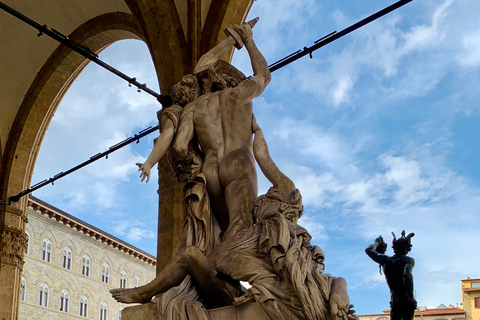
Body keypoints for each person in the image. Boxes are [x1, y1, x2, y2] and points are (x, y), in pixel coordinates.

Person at [111, 117, 356, 320]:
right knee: (189, 255)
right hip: (233, 288)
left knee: (189, 255)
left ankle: (144, 293)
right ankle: (144, 293)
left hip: (251, 294)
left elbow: (262, 155)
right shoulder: (258, 231)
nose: (261, 203)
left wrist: (255, 128)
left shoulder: (282, 227)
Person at [168, 21, 271, 239]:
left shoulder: (195, 107)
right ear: (230, 80)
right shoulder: (240, 94)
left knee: (222, 236)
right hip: (238, 161)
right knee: (241, 234)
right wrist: (249, 40)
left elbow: (178, 147)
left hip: (210, 169)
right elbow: (264, 75)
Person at [365, 231, 417, 320]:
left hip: (395, 299)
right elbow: (407, 275)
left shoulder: (386, 260)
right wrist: (411, 297)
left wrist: (376, 243)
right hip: (406, 298)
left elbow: (368, 250)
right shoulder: (408, 260)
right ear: (407, 249)